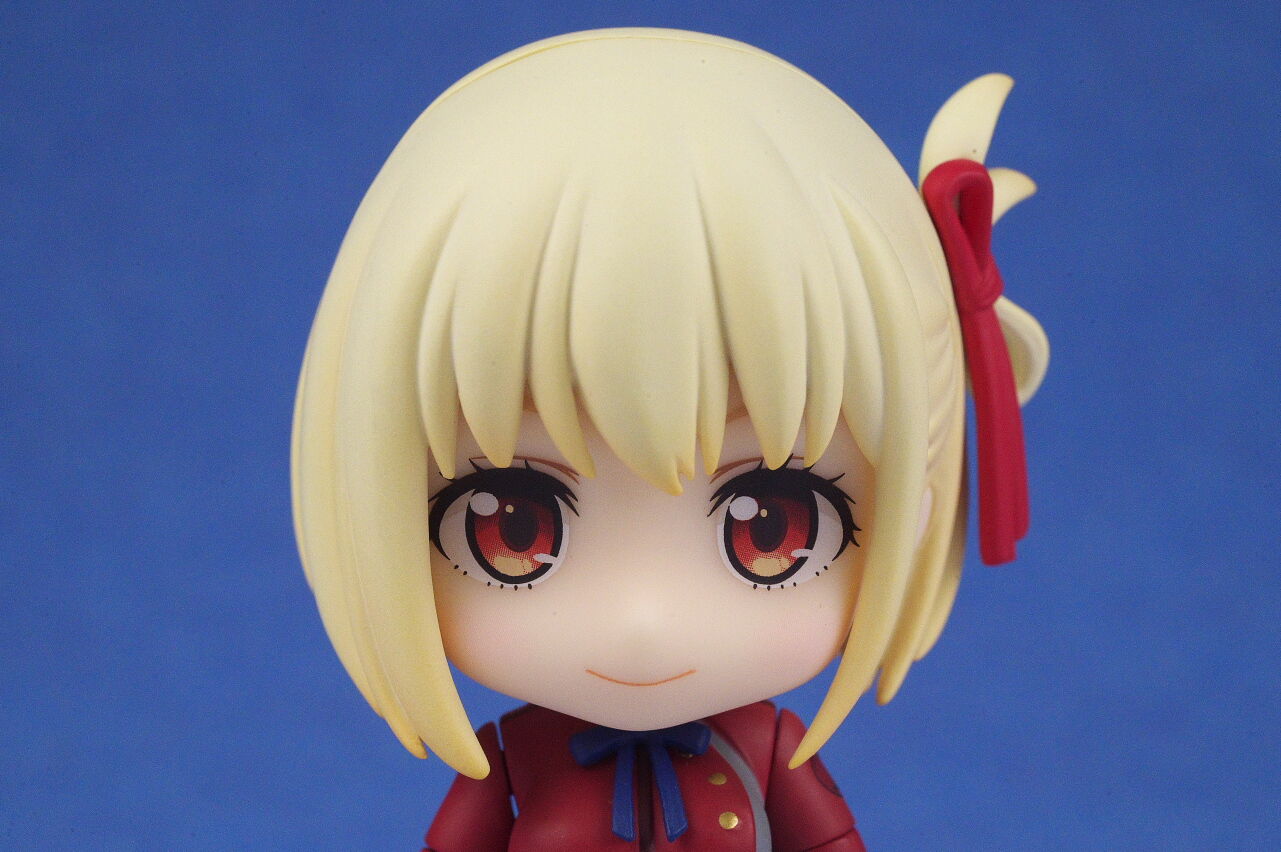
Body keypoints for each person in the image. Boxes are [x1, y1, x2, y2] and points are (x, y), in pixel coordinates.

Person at [291, 28, 1049, 851]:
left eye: (770, 529)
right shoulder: (512, 756)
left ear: (916, 500)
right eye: (513, 527)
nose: (642, 622)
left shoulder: (768, 749)